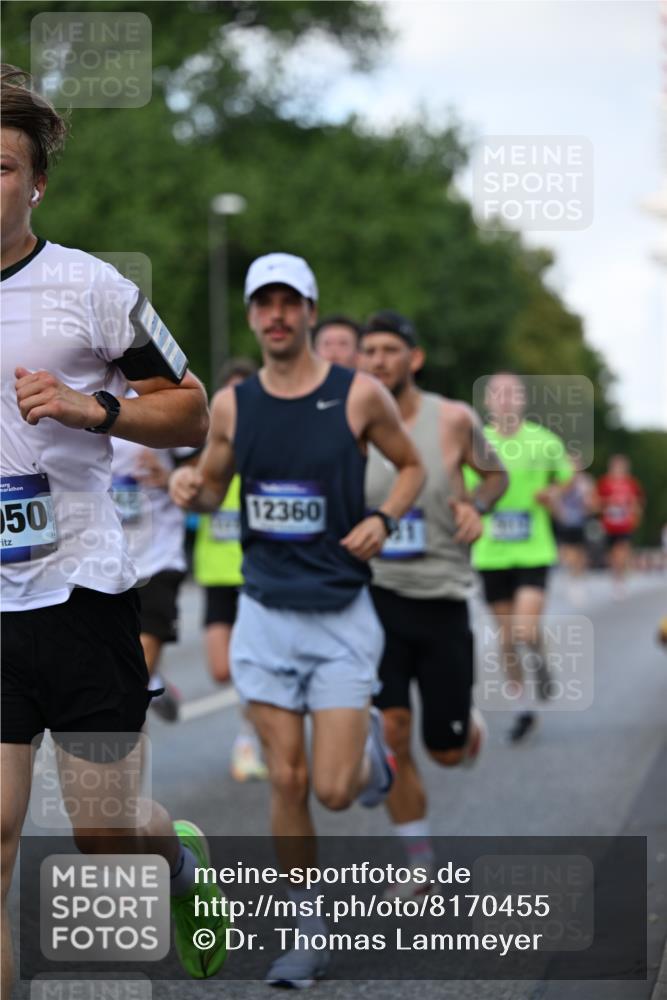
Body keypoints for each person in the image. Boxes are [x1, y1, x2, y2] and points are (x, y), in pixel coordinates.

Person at [0, 66, 228, 989]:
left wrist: (96, 409)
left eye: (0, 167)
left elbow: (190, 410)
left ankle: (176, 858)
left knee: (104, 838)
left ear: (36, 182)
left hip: (81, 590)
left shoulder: (90, 288)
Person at [170, 252, 425, 987]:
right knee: (285, 778)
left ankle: (371, 750)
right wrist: (191, 486)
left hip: (341, 615)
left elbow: (410, 467)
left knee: (335, 790)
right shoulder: (232, 406)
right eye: (263, 303)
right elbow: (212, 489)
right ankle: (303, 935)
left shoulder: (359, 396)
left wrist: (383, 517)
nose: (276, 315)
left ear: (311, 311)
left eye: (290, 302)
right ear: (252, 314)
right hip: (264, 615)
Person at [360, 310, 508, 896]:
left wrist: (480, 505)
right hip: (377, 598)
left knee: (444, 753)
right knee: (393, 731)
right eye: (369, 351)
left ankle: (462, 725)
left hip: (444, 597)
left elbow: (494, 477)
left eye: (390, 350)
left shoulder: (454, 419)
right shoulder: (354, 420)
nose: (377, 360)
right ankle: (419, 859)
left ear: (413, 359)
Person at [468, 372, 573, 743]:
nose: (506, 400)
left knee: (525, 629)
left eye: (513, 393)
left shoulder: (542, 440)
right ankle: (523, 705)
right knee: (507, 637)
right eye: (499, 394)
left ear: (523, 400)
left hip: (533, 549)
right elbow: (465, 489)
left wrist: (554, 492)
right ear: (488, 402)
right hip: (492, 553)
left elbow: (568, 473)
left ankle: (540, 660)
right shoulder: (479, 444)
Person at [192, 357, 267, 780]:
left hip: (258, 578)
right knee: (223, 669)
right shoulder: (206, 458)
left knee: (252, 664)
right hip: (217, 576)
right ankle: (266, 702)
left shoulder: (273, 455)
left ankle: (248, 739)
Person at [111, 402, 196, 722]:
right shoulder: (72, 395)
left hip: (158, 558)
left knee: (126, 693)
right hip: (104, 562)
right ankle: (154, 682)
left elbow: (203, 473)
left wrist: (172, 478)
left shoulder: (160, 398)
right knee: (115, 681)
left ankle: (146, 682)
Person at [595, 454, 644, 599]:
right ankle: (616, 577)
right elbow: (595, 503)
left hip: (625, 524)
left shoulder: (631, 483)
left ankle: (620, 579)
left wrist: (636, 514)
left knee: (622, 551)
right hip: (610, 525)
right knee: (613, 554)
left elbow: (638, 502)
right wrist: (608, 502)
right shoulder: (604, 482)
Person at [551, 455, 597, 606]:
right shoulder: (561, 480)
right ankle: (572, 578)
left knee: (580, 552)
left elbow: (592, 502)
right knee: (568, 550)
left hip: (580, 521)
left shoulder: (585, 482)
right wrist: (558, 513)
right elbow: (554, 499)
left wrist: (588, 505)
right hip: (566, 521)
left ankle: (577, 579)